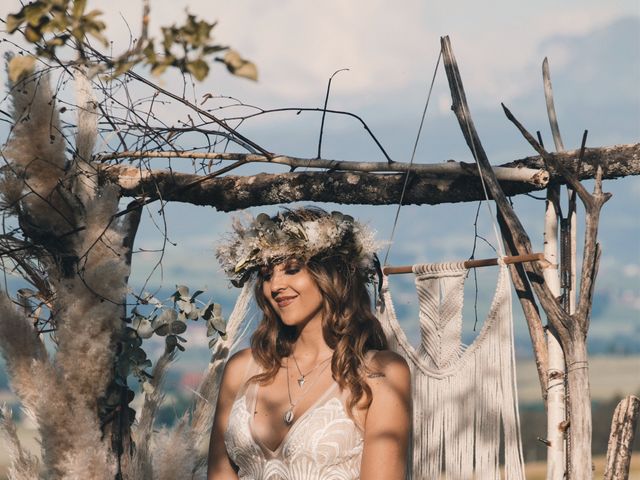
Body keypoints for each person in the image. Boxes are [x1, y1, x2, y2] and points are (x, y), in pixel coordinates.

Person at [207, 207, 411, 480]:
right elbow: (219, 473)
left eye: (292, 269)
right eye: (267, 275)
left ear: (331, 275)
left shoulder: (380, 373)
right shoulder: (242, 368)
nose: (275, 285)